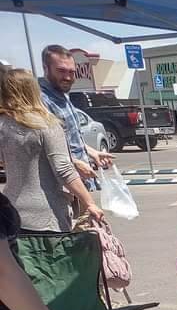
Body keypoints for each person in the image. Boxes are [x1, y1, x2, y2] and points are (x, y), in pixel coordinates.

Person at [0, 68, 105, 232]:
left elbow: (10, 163)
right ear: (32, 90)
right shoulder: (45, 124)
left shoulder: (3, 125)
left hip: (12, 212)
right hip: (46, 215)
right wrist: (89, 202)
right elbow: (63, 169)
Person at [38, 45, 113, 189]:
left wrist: (92, 152)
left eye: (71, 72)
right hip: (64, 188)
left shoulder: (62, 95)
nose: (67, 77)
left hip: (80, 182)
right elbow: (44, 148)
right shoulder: (40, 101)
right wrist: (75, 163)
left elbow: (69, 139)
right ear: (46, 68)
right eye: (61, 71)